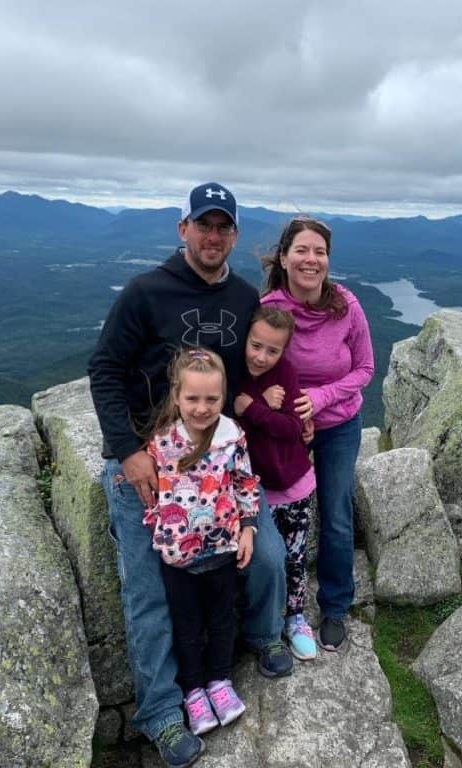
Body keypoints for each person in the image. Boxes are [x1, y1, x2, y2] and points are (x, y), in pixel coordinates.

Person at [88, 182, 292, 768]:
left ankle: (259, 637)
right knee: (149, 591)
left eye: (223, 226)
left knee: (268, 555)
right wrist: (127, 452)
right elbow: (103, 369)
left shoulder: (245, 295)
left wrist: (286, 405)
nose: (213, 236)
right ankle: (159, 713)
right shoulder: (144, 293)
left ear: (233, 234)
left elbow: (258, 360)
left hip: (219, 466)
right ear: (183, 230)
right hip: (148, 465)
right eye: (202, 225)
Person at [260, 216, 374, 653]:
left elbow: (364, 369)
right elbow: (257, 365)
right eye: (302, 251)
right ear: (284, 257)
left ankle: (334, 607)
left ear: (328, 259)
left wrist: (323, 397)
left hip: (339, 424)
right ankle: (280, 608)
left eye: (320, 252)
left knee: (336, 514)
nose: (312, 259)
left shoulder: (346, 305)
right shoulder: (270, 308)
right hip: (285, 430)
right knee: (277, 517)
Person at [144, 347, 254, 737]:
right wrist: (159, 528)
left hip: (223, 550)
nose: (202, 407)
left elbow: (244, 484)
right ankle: (193, 691)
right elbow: (152, 495)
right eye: (192, 398)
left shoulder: (231, 436)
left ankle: (219, 683)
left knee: (222, 621)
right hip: (179, 560)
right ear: (176, 396)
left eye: (212, 398)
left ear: (223, 397)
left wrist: (249, 528)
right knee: (187, 626)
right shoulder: (161, 444)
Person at [234, 307, 318, 660]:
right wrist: (256, 410)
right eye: (256, 345)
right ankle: (261, 620)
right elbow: (226, 428)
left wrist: (253, 409)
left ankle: (295, 618)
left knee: (294, 557)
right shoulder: (234, 374)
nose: (261, 356)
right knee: (264, 559)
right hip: (254, 489)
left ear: (284, 351)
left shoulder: (285, 373)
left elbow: (291, 429)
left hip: (295, 485)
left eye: (272, 350)